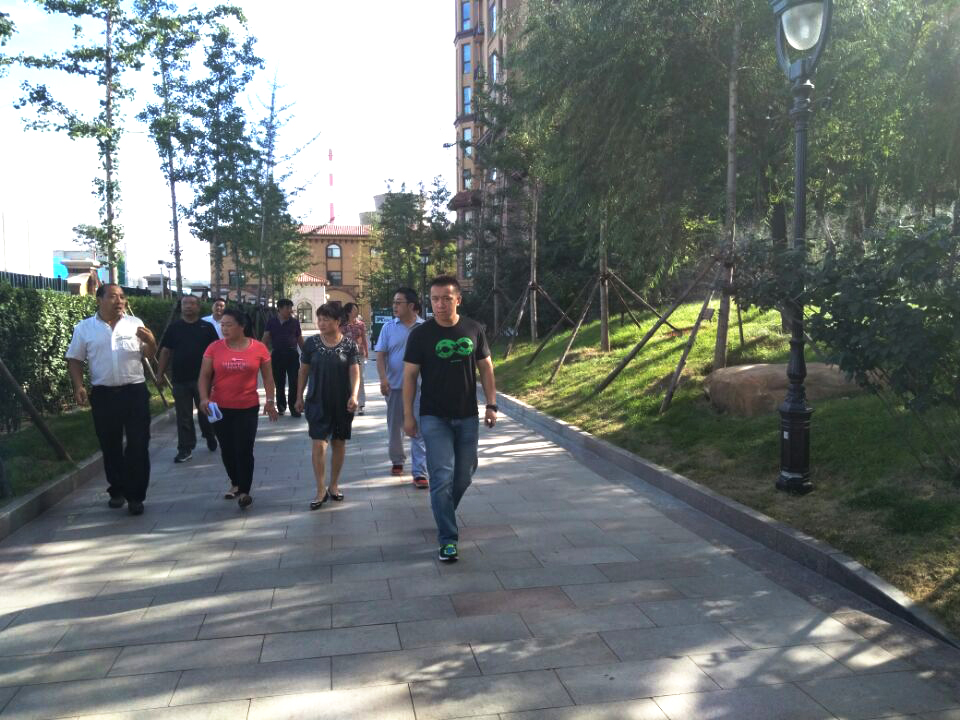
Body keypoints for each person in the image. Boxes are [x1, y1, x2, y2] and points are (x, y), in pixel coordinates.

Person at [403, 276, 498, 562]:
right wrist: (408, 415)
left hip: (467, 414)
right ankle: (447, 539)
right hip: (434, 416)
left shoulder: (473, 329)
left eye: (446, 298)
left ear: (458, 299)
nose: (440, 304)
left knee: (465, 474)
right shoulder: (420, 335)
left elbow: (486, 368)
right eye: (435, 299)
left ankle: (442, 510)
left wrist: (491, 404)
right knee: (442, 476)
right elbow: (409, 376)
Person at [66, 283, 158, 516]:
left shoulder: (135, 323)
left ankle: (136, 496)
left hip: (134, 392)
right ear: (99, 300)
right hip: (104, 394)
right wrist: (79, 386)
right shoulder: (85, 328)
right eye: (113, 296)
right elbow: (75, 359)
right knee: (110, 445)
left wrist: (151, 342)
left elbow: (148, 354)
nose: (119, 301)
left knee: (138, 444)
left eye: (122, 297)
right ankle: (117, 489)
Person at [199, 308, 279, 508]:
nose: (224, 329)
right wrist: (204, 398)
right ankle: (235, 482)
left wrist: (270, 401)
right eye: (222, 325)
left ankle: (244, 491)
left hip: (247, 406)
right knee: (227, 448)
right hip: (219, 407)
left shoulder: (258, 348)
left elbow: (268, 378)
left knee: (244, 448)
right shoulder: (214, 348)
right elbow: (204, 375)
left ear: (242, 326)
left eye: (229, 325)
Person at [295, 302, 361, 510]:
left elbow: (355, 372)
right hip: (317, 400)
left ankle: (334, 485)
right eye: (319, 319)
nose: (321, 323)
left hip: (342, 402)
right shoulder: (311, 344)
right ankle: (320, 489)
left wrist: (354, 395)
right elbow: (303, 371)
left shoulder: (349, 345)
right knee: (318, 443)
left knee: (339, 443)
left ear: (338, 321)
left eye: (326, 319)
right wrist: (298, 396)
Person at [155, 295, 220, 463]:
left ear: (198, 307)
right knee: (183, 415)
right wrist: (159, 374)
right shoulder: (174, 328)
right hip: (180, 379)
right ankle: (185, 448)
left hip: (204, 379)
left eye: (192, 303)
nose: (188, 306)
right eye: (185, 304)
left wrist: (218, 376)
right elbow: (165, 351)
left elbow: (217, 352)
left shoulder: (207, 327)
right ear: (181, 307)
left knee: (206, 412)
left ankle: (210, 434)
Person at [375, 288, 428, 488]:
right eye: (394, 302)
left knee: (418, 428)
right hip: (395, 386)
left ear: (411, 305)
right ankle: (397, 460)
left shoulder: (425, 328)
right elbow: (381, 355)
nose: (394, 306)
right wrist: (383, 379)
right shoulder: (388, 328)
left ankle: (419, 472)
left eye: (399, 302)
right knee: (396, 426)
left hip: (421, 388)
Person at [262, 299, 304, 417]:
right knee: (279, 382)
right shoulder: (271, 322)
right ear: (279, 309)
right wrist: (260, 354)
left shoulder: (294, 322)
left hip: (292, 354)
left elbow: (299, 338)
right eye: (287, 308)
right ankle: (281, 407)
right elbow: (265, 338)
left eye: (291, 308)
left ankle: (294, 408)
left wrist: (306, 352)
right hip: (277, 355)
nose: (290, 310)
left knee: (294, 382)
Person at [339, 302, 369, 415]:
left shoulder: (360, 324)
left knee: (360, 378)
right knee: (346, 378)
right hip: (344, 355)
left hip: (358, 354)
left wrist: (366, 351)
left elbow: (364, 338)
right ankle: (348, 402)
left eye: (357, 309)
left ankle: (360, 404)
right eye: (354, 310)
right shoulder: (342, 325)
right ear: (348, 312)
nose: (356, 311)